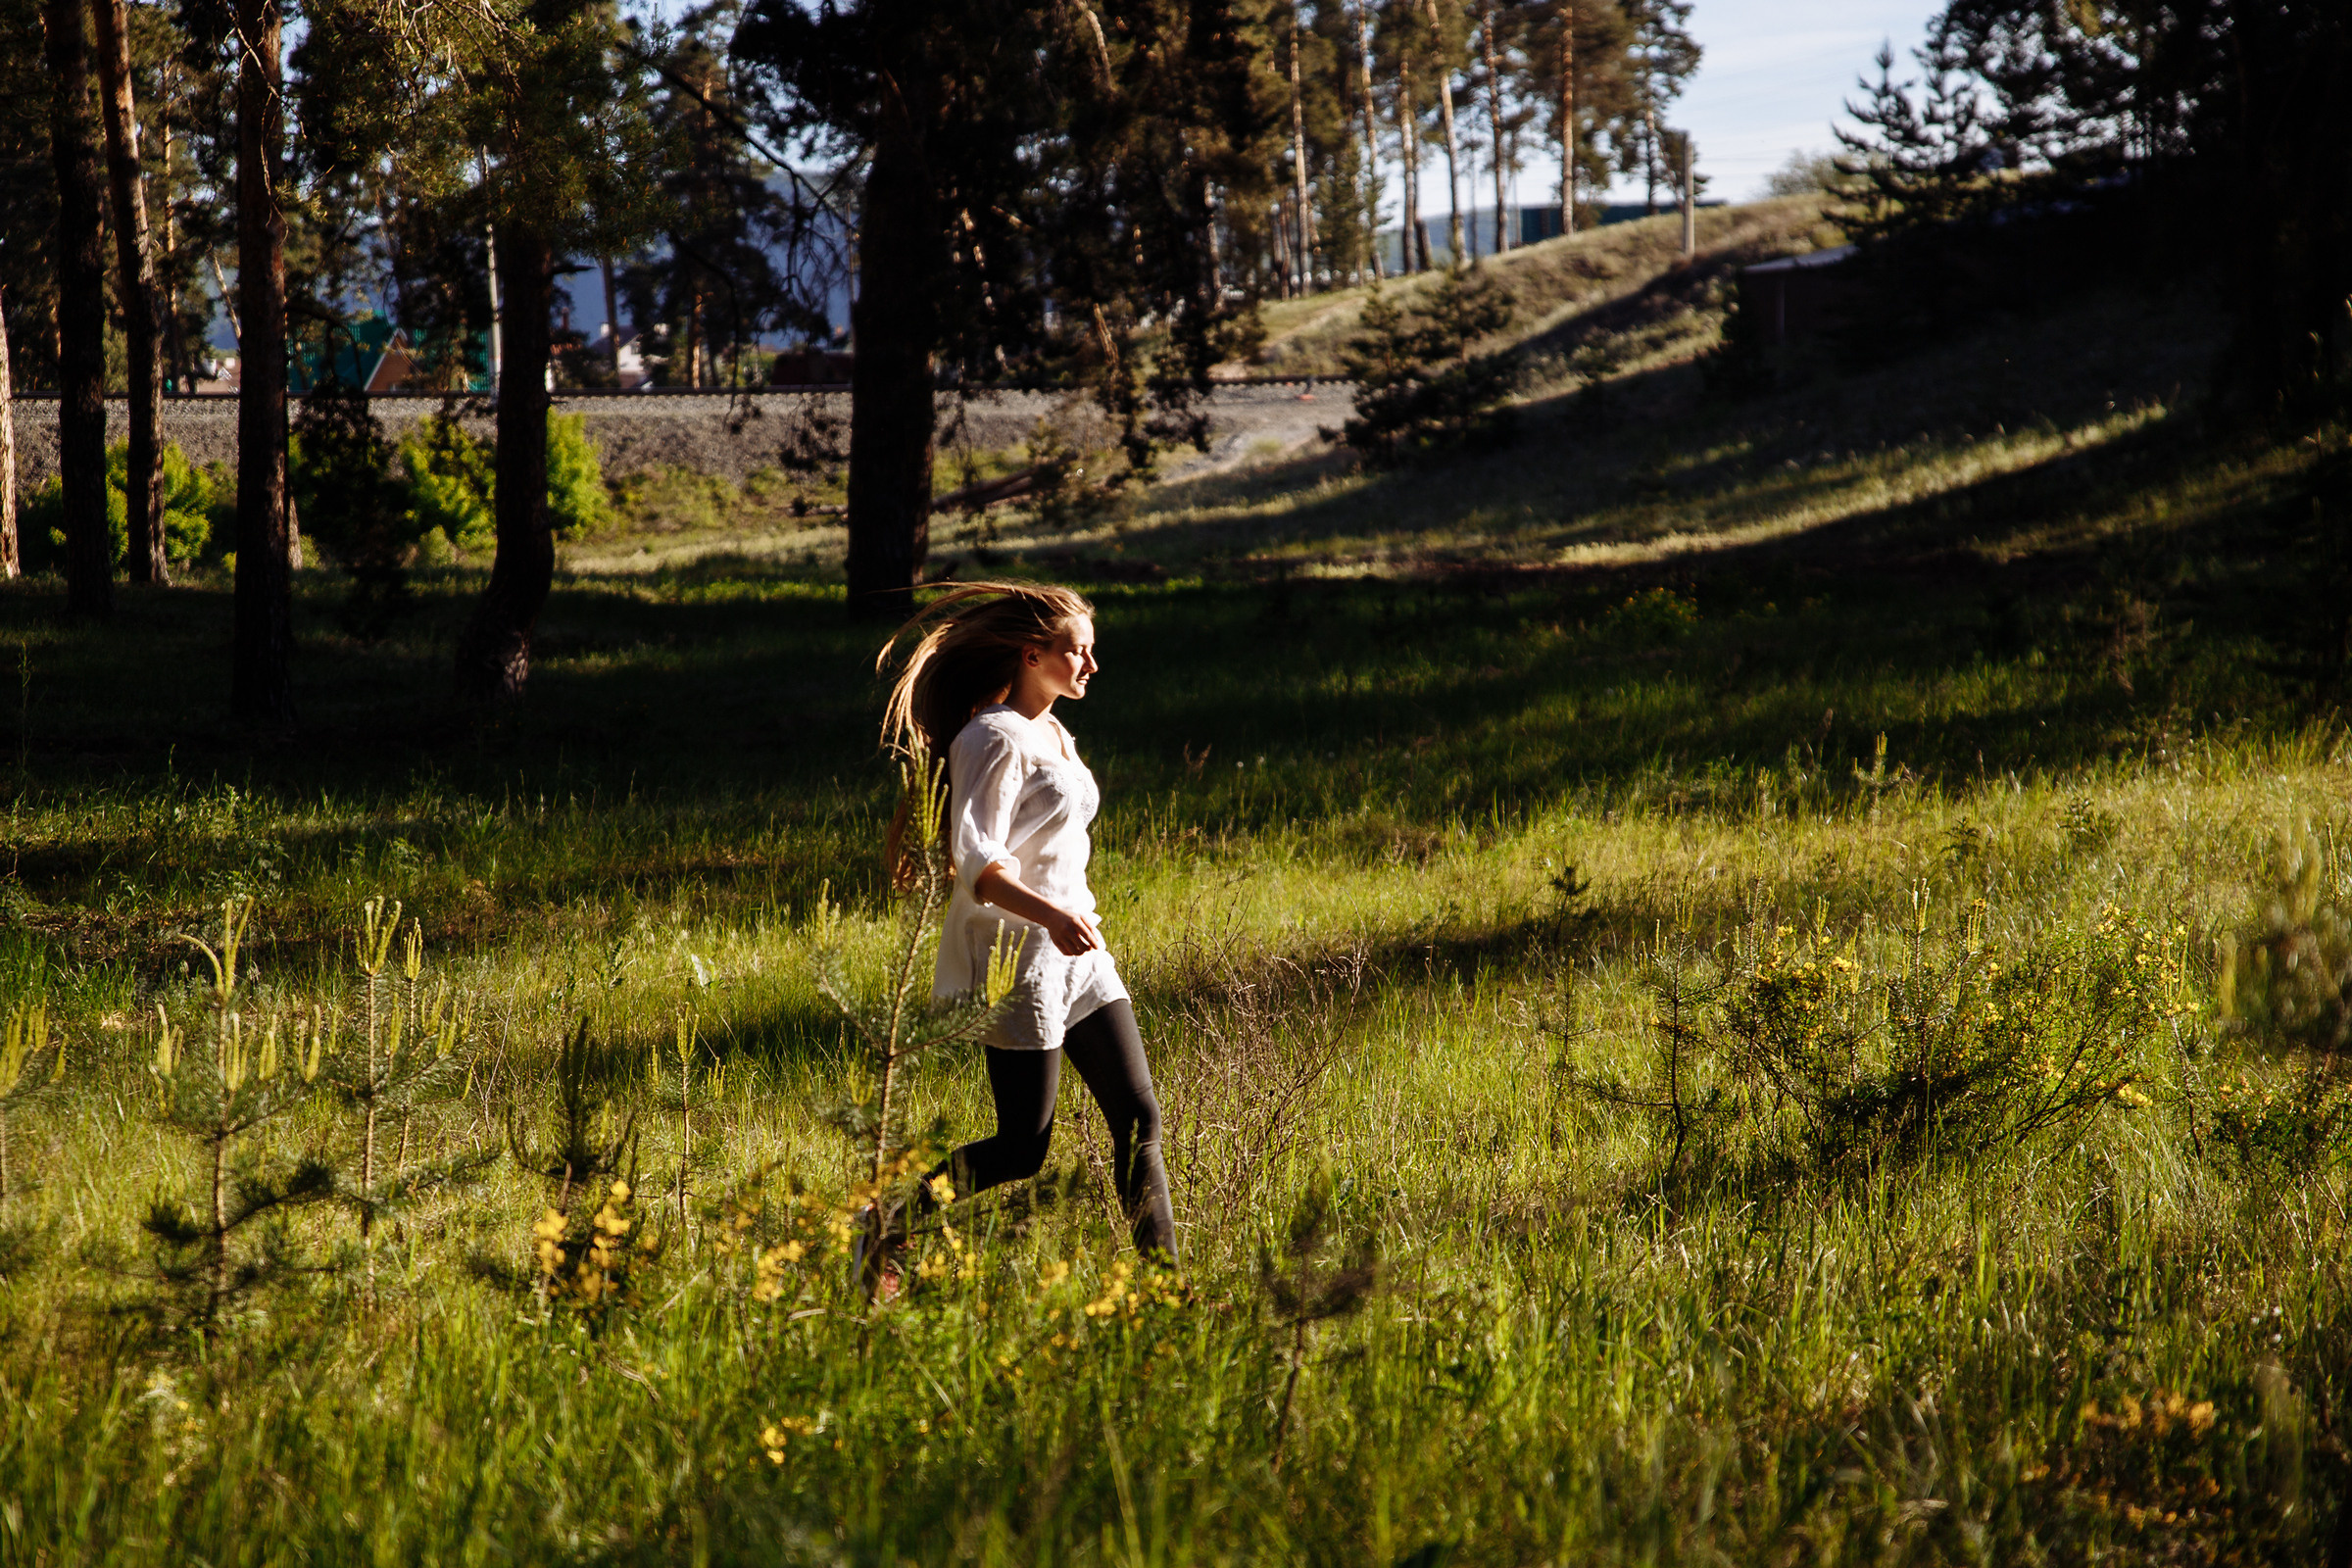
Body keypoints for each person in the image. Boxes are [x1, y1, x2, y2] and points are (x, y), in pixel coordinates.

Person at [876, 581, 1178, 1263]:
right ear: (1032, 654)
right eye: (1078, 651)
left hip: (1080, 953)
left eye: (1092, 651)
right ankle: (885, 1224)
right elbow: (977, 861)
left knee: (1139, 1120)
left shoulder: (1053, 732)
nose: (1091, 664)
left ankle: (1166, 1288)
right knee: (1020, 1148)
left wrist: (1069, 919)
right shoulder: (991, 738)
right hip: (1021, 959)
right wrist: (1051, 915)